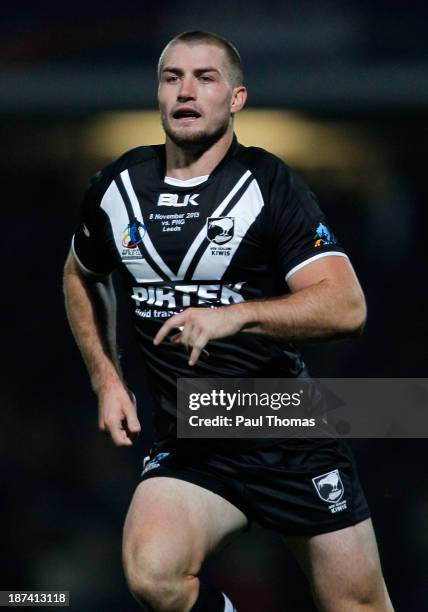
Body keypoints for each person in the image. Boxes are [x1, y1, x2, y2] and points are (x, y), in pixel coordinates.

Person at [63, 30, 394, 612]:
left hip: (287, 431)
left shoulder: (270, 186)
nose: (185, 91)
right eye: (173, 78)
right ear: (159, 94)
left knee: (357, 605)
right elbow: (79, 274)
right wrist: (106, 379)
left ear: (236, 98)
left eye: (204, 78)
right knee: (153, 574)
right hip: (192, 438)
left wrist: (235, 317)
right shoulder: (117, 189)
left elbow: (348, 307)